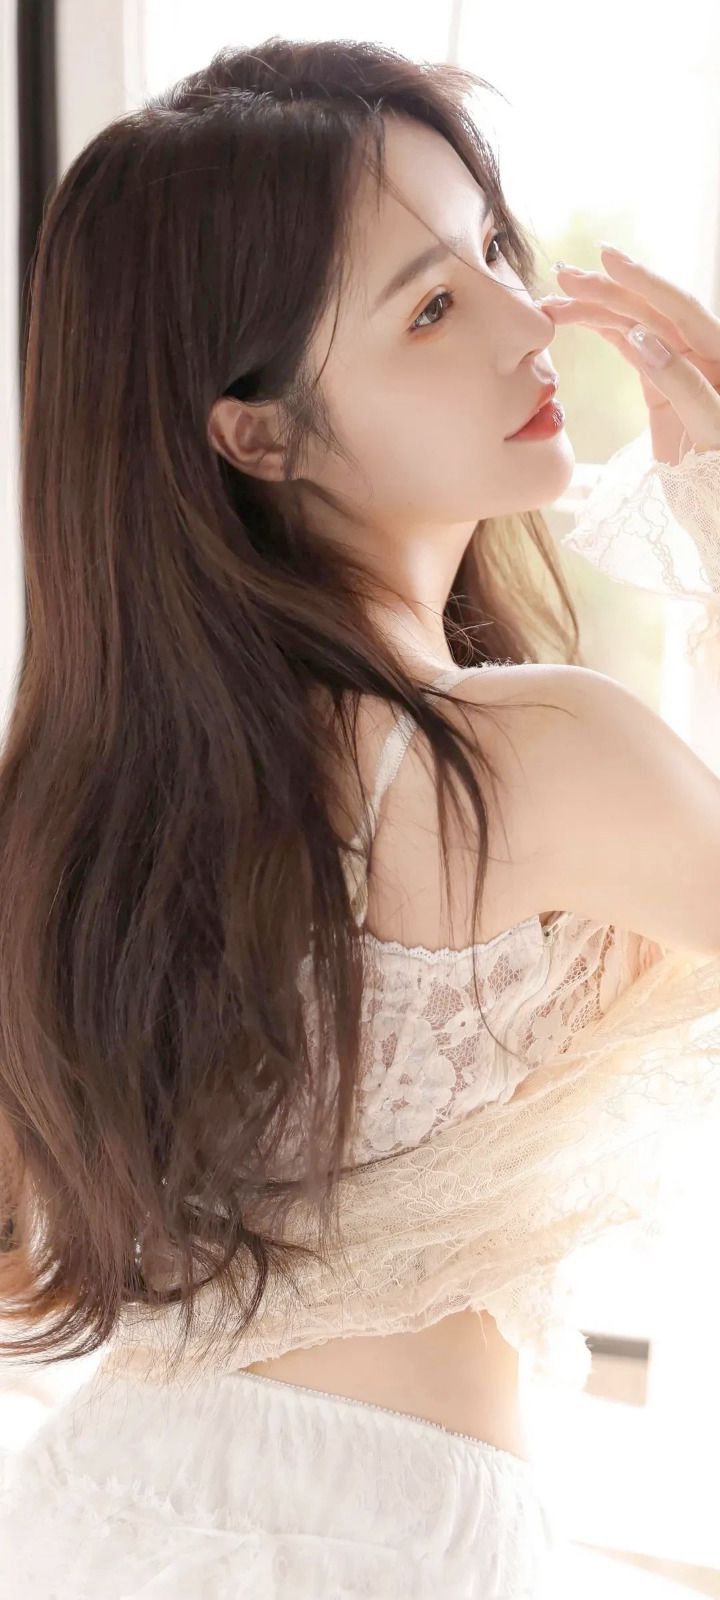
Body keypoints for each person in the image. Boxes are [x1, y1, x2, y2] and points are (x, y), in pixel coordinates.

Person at [0, 35, 719, 1599]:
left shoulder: (94, 799)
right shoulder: (520, 759)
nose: (531, 323)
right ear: (254, 433)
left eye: (495, 254)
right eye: (432, 307)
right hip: (377, 1549)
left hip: (92, 1515)